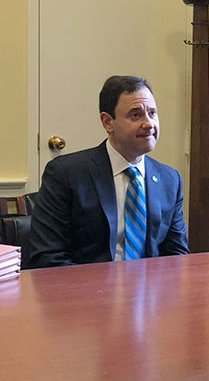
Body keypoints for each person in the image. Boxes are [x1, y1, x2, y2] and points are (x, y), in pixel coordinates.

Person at [27, 75, 189, 268]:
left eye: (152, 113)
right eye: (135, 115)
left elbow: (177, 258)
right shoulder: (65, 174)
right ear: (107, 122)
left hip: (149, 294)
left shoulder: (169, 179)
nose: (149, 124)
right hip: (87, 293)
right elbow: (47, 257)